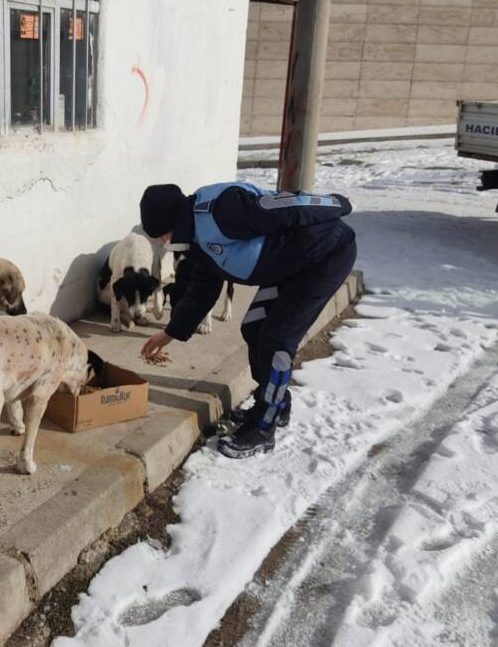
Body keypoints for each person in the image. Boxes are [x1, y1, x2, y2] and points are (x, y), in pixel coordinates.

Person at [139, 181, 356, 458]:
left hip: (325, 256)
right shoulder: (198, 240)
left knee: (277, 340)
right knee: (254, 327)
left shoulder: (223, 210)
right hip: (292, 265)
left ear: (171, 221)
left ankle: (263, 428)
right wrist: (170, 333)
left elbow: (289, 206)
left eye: (162, 234)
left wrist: (339, 203)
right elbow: (202, 292)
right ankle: (277, 405)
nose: (163, 242)